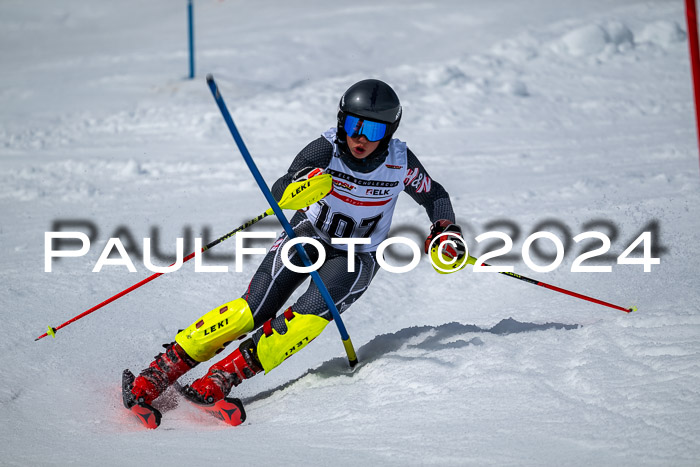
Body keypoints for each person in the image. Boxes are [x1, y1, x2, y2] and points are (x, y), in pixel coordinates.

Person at [123, 79, 466, 410]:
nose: (359, 137)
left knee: (307, 318)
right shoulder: (326, 147)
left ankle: (224, 377)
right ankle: (160, 371)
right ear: (341, 120)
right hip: (307, 235)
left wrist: (444, 228)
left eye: (372, 130)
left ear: (388, 132)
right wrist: (299, 186)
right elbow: (282, 187)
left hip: (356, 256)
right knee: (252, 310)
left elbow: (434, 194)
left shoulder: (400, 162)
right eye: (352, 124)